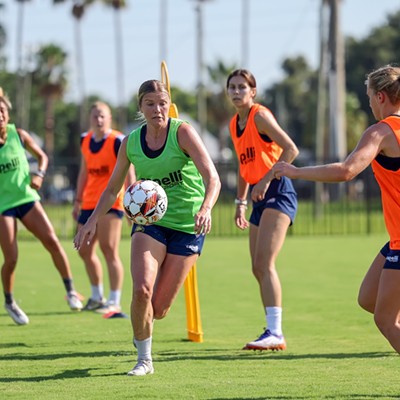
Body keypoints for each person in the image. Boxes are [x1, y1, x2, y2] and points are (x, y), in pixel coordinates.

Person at [74, 80, 221, 376]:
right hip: (149, 224)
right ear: (140, 108)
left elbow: (213, 178)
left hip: (187, 227)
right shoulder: (130, 143)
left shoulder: (183, 133)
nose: (158, 109)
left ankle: (141, 330)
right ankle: (144, 359)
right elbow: (113, 186)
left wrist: (206, 208)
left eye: (163, 103)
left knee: (159, 307)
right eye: (150, 104)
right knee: (141, 291)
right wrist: (90, 222)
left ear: (169, 104)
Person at [273, 64, 400, 354]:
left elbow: (346, 171)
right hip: (395, 238)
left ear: (381, 97)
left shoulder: (381, 131)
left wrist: (295, 172)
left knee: (385, 319)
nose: (368, 103)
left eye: (369, 96)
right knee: (368, 298)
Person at [226, 69, 299, 351]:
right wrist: (240, 202)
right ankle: (272, 328)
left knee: (265, 263)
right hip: (257, 197)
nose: (236, 91)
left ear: (252, 91)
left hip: (279, 192)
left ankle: (276, 332)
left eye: (242, 87)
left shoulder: (259, 116)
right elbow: (245, 168)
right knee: (257, 266)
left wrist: (268, 179)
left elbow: (291, 149)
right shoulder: (234, 124)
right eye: (231, 87)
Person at [0, 88, 82, 325]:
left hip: (26, 198)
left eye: (2, 110)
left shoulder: (19, 135)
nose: (0, 115)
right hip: (3, 206)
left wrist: (40, 173)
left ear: (7, 112)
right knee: (12, 258)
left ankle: (71, 291)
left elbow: (43, 156)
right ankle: (9, 301)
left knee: (53, 242)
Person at [72, 101, 133, 315]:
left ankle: (114, 300)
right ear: (90, 118)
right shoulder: (85, 140)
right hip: (88, 203)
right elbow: (84, 172)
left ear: (109, 118)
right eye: (95, 116)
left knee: (109, 250)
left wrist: (131, 201)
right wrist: (77, 201)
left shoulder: (117, 140)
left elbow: (129, 170)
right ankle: (97, 296)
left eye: (102, 116)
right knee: (84, 250)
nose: (98, 120)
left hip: (112, 202)